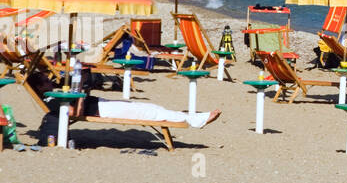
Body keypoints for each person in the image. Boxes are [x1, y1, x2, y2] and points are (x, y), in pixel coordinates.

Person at [26, 66, 220, 132]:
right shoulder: (51, 101)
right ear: (41, 87)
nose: (50, 80)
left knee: (153, 107)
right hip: (103, 110)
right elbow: (73, 113)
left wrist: (82, 84)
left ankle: (195, 117)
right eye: (46, 80)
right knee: (152, 112)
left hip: (102, 105)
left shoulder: (53, 96)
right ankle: (196, 120)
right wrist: (83, 93)